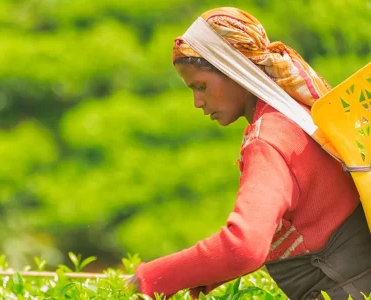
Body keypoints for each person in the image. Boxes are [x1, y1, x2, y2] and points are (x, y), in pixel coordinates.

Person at [126, 7, 371, 300]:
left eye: (201, 86)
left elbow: (243, 247)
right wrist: (209, 270)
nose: (197, 102)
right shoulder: (299, 117)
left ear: (233, 68)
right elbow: (311, 224)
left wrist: (150, 278)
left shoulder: (267, 139)